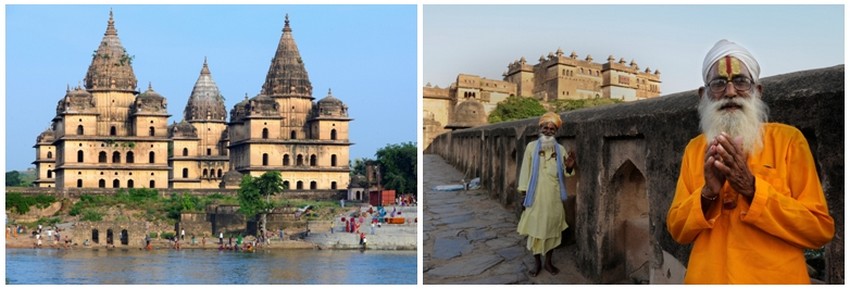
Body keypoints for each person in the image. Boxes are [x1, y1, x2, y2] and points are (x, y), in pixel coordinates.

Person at [666, 40, 834, 284]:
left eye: (741, 82)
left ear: (758, 90)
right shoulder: (695, 149)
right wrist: (708, 193)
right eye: (719, 83)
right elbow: (678, 230)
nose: (731, 92)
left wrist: (752, 188)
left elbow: (819, 229)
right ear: (704, 94)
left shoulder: (788, 141)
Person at [516, 111, 576, 277]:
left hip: (553, 197)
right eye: (545, 128)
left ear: (556, 132)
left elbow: (566, 172)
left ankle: (548, 262)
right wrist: (524, 194)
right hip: (535, 197)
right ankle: (537, 263)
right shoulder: (531, 147)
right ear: (540, 129)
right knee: (535, 230)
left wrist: (570, 166)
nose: (548, 131)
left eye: (552, 129)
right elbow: (525, 171)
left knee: (552, 230)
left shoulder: (561, 149)